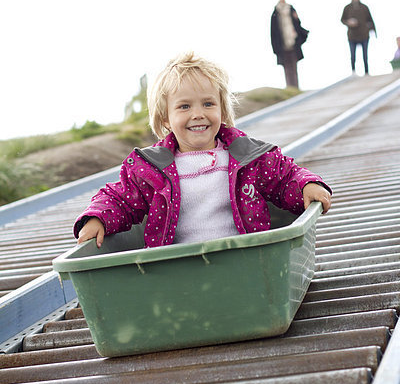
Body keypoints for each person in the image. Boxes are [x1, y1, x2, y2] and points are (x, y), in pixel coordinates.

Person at [74, 52, 332, 248]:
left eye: (208, 104)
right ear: (166, 119)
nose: (198, 114)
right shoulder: (151, 169)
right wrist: (98, 218)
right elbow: (120, 198)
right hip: (179, 264)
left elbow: (284, 176)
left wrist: (305, 186)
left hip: (247, 257)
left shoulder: (246, 156)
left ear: (221, 110)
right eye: (184, 107)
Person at [270, 0, 309, 89]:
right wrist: (275, 48)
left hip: (293, 41)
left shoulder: (291, 9)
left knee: (294, 66)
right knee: (287, 68)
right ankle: (290, 88)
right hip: (282, 44)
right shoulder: (275, 12)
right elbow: (273, 32)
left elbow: (297, 23)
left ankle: (296, 88)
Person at [341, 0, 376, 75]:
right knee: (353, 55)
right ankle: (353, 72)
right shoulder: (347, 8)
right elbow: (342, 19)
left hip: (364, 34)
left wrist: (373, 31)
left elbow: (370, 20)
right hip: (352, 35)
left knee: (365, 55)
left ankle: (366, 72)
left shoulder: (364, 7)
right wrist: (348, 22)